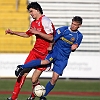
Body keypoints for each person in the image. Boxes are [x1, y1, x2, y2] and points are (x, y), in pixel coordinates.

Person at [15, 16, 83, 100]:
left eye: (75, 25)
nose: (73, 26)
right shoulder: (63, 30)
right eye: (72, 23)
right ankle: (22, 66)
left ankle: (42, 96)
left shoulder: (79, 36)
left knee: (54, 79)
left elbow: (75, 46)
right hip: (55, 52)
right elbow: (52, 39)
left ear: (79, 26)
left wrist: (74, 48)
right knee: (45, 62)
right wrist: (50, 46)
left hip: (63, 58)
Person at [5, 2, 55, 100]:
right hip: (34, 52)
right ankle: (13, 98)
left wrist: (37, 32)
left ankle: (32, 97)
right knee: (22, 73)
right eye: (29, 12)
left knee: (34, 79)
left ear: (37, 10)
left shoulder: (45, 21)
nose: (30, 14)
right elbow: (27, 34)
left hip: (44, 55)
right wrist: (13, 32)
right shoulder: (33, 23)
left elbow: (51, 37)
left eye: (31, 11)